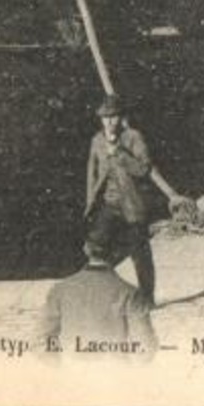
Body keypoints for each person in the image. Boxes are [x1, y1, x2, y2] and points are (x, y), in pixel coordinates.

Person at [36, 213, 157, 361]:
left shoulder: (60, 290)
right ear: (117, 252)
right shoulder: (130, 294)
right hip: (113, 377)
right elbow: (146, 346)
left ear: (86, 249)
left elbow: (41, 340)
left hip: (72, 376)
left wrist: (62, 370)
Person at [84, 95, 159, 306]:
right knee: (95, 247)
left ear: (121, 118)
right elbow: (92, 172)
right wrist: (90, 200)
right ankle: (102, 296)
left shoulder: (133, 137)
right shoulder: (97, 141)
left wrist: (121, 155)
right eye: (105, 118)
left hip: (132, 204)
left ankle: (147, 297)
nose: (109, 122)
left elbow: (144, 169)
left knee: (139, 252)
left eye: (114, 117)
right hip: (109, 203)